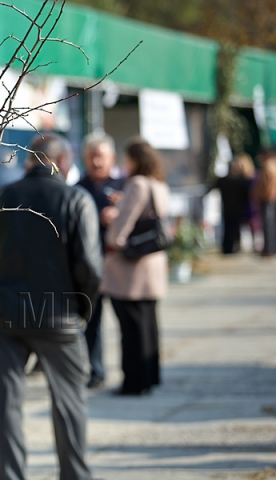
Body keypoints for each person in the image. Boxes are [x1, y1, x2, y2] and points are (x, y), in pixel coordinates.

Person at [0, 133, 101, 480]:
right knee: (69, 405)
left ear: (30, 160)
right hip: (58, 316)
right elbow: (90, 268)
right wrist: (81, 311)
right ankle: (74, 475)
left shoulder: (1, 197)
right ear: (63, 162)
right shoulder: (76, 199)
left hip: (4, 316)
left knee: (5, 407)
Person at [100, 137, 170, 396]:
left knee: (131, 330)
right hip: (152, 264)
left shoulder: (137, 183)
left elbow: (119, 232)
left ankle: (134, 382)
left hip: (131, 270)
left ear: (134, 159)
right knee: (149, 325)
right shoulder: (158, 183)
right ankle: (150, 376)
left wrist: (111, 221)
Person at [76, 131, 124, 389]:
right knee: (91, 322)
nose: (97, 162)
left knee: (125, 319)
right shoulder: (78, 189)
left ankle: (130, 370)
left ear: (112, 158)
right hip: (90, 266)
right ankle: (96, 371)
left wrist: (120, 211)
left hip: (119, 266)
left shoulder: (124, 185)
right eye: (92, 157)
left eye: (101, 157)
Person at [212, 157, 251, 254]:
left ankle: (227, 248)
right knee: (234, 229)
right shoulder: (241, 180)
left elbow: (212, 186)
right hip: (237, 208)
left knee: (228, 229)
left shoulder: (224, 180)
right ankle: (234, 247)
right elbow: (247, 195)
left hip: (228, 208)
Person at [251, 151, 276, 257]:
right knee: (271, 224)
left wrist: (258, 195)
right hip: (273, 197)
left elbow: (265, 184)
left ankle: (269, 250)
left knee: (267, 225)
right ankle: (272, 248)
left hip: (267, 198)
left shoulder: (268, 166)